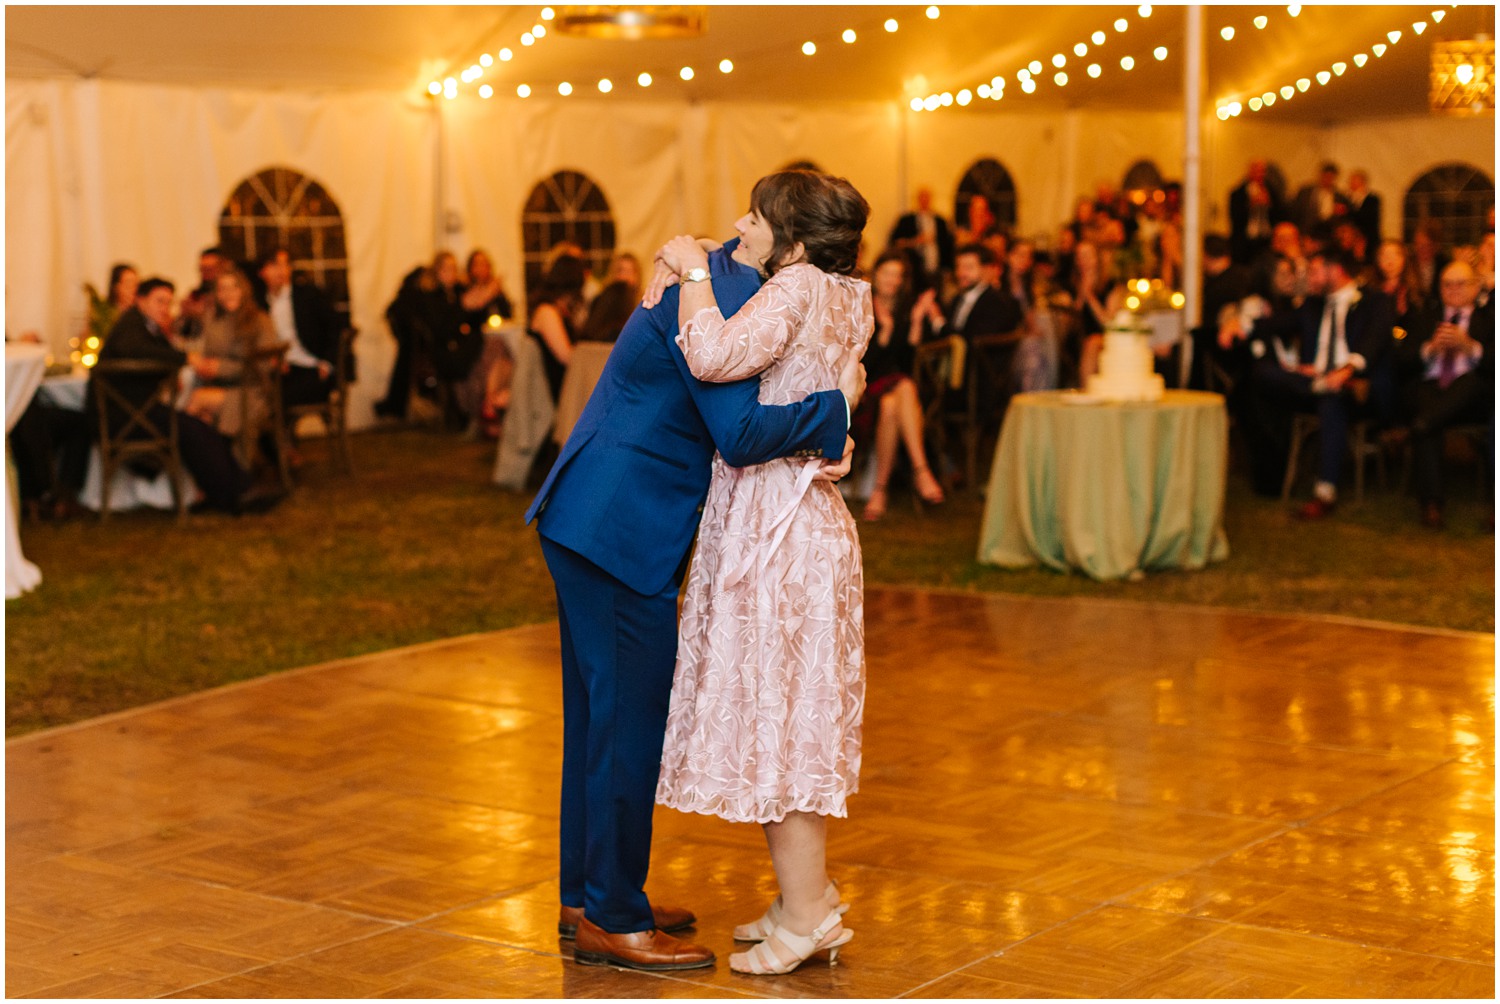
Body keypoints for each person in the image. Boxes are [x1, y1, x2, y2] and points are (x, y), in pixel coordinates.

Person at [523, 204, 861, 973]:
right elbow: (739, 435)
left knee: (597, 719)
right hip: (618, 529)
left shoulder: (711, 277)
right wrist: (839, 405)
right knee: (627, 725)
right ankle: (613, 916)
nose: (740, 219)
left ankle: (590, 894)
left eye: (755, 213)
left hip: (593, 515)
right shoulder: (714, 292)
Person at [648, 169, 870, 976]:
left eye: (758, 215)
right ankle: (799, 894)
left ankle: (810, 914)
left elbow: (711, 356)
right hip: (808, 521)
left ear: (798, 242)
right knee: (793, 715)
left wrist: (693, 270)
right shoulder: (851, 294)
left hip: (776, 532)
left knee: (780, 725)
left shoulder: (799, 285)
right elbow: (832, 395)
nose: (741, 221)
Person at [88, 277, 261, 514]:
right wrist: (184, 360)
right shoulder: (130, 325)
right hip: (123, 419)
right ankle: (230, 495)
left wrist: (175, 364)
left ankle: (236, 488)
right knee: (193, 430)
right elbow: (138, 350)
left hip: (138, 412)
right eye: (159, 301)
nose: (164, 309)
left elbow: (163, 352)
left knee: (200, 427)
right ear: (140, 300)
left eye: (168, 303)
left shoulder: (148, 327)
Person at [1397, 260, 1494, 528]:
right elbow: (1400, 360)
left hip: (1472, 395)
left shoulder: (1489, 320)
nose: (1452, 290)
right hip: (1432, 387)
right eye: (1446, 284)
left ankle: (1416, 427)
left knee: (1471, 382)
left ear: (1475, 288)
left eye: (1460, 284)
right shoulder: (1425, 317)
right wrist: (1428, 349)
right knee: (1428, 411)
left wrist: (1471, 347)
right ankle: (1432, 505)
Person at [852, 252, 946, 521]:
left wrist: (916, 321)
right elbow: (864, 363)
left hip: (899, 392)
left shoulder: (906, 307)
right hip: (867, 386)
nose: (892, 280)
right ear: (876, 275)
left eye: (897, 275)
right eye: (887, 273)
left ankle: (880, 491)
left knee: (894, 400)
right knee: (901, 389)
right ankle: (922, 470)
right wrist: (885, 332)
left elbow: (908, 361)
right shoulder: (862, 306)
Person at [184, 267, 282, 442]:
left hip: (252, 391)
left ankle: (177, 454)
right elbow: (202, 351)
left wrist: (221, 368)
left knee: (197, 401)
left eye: (233, 288)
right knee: (201, 415)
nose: (228, 294)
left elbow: (264, 366)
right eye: (222, 289)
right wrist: (203, 364)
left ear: (242, 290)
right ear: (216, 294)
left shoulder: (259, 321)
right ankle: (215, 463)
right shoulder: (214, 321)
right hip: (220, 387)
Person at [527, 254, 585, 401]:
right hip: (548, 392)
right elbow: (566, 357)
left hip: (559, 385)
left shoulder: (560, 311)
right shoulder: (547, 312)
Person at [887, 185, 955, 294]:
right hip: (914, 271)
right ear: (917, 200)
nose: (924, 201)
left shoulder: (940, 221)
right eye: (922, 198)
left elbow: (948, 246)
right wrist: (916, 241)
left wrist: (948, 269)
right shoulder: (907, 220)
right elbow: (895, 243)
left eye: (927, 198)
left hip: (936, 271)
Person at [1228, 159, 1282, 266]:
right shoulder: (1237, 193)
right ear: (1249, 172)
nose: (1259, 174)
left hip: (1266, 239)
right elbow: (1234, 218)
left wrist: (1269, 204)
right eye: (1256, 171)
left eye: (1262, 171)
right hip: (1245, 241)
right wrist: (1251, 205)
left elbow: (1281, 214)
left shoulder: (1272, 191)